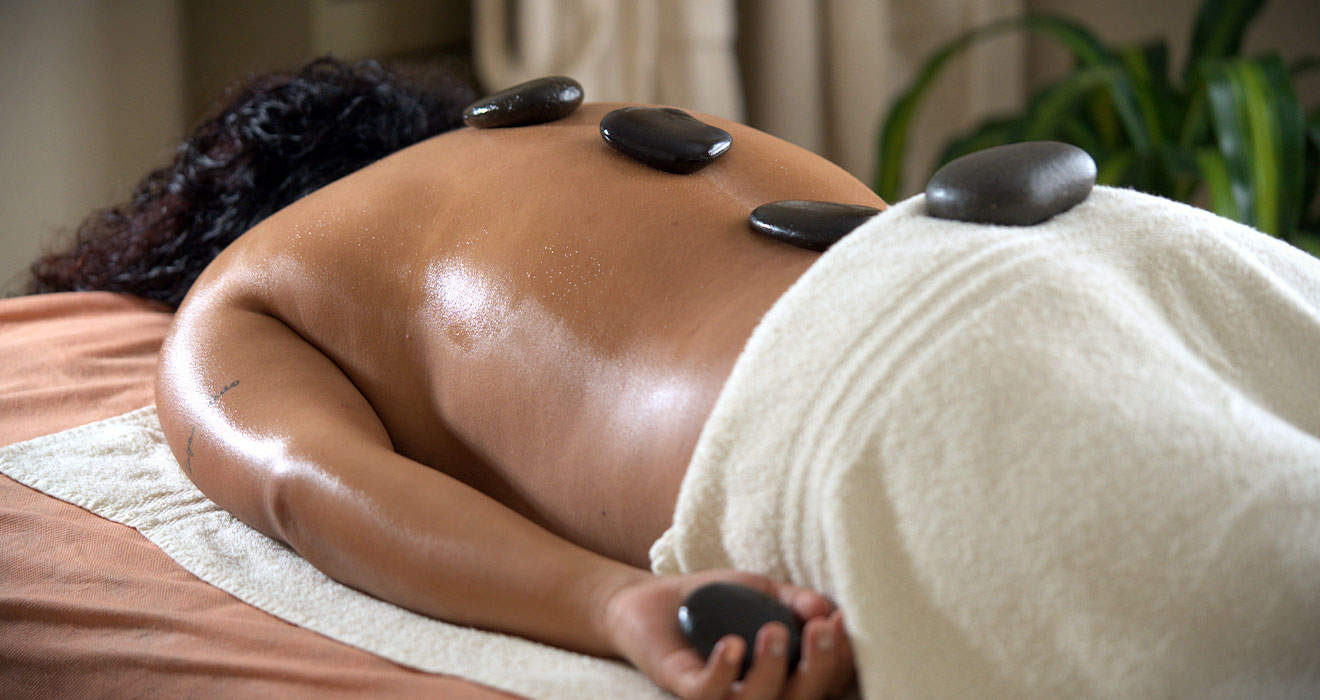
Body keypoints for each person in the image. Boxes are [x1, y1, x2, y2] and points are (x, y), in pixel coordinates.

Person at [29, 58, 866, 699]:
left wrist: (612, 606)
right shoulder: (598, 119)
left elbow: (299, 486)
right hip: (937, 280)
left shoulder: (240, 289)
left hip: (820, 439)